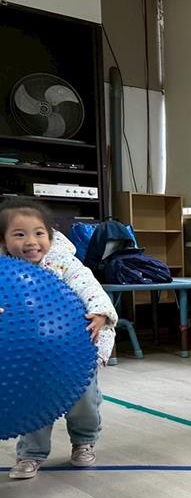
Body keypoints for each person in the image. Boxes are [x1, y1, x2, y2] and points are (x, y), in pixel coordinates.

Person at [0, 198, 118, 480]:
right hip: (27, 357)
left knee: (84, 401)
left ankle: (84, 440)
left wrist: (100, 313)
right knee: (34, 404)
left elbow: (89, 286)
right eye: (19, 234)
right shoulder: (4, 271)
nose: (31, 242)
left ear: (50, 236)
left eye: (39, 233)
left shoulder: (63, 263)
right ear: (3, 240)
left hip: (74, 353)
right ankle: (31, 454)